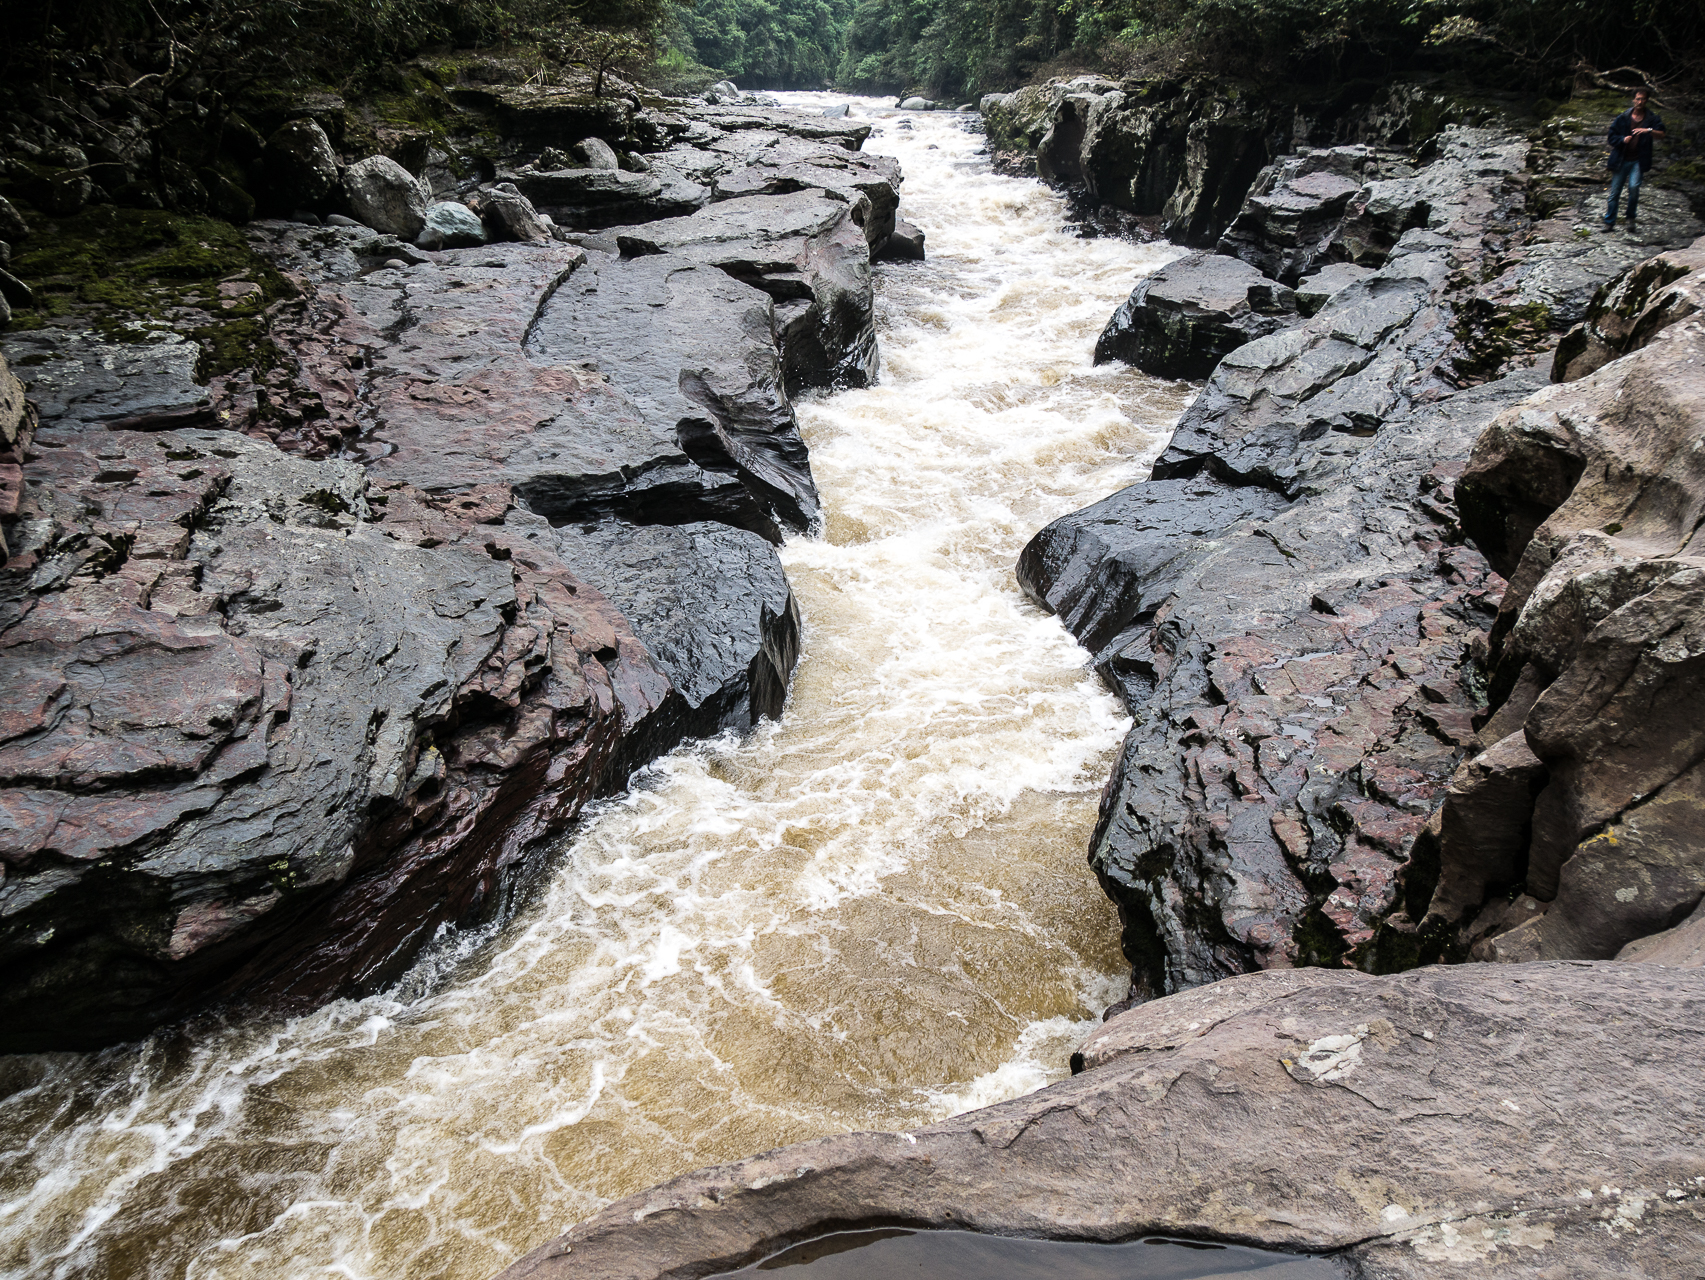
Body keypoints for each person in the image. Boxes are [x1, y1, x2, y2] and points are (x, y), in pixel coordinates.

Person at [1604, 88, 1666, 232]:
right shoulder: (1623, 117)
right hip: (1621, 159)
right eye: (1637, 99)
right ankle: (1609, 222)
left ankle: (1630, 219)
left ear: (1646, 101)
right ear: (1633, 100)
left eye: (1642, 99)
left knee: (1634, 188)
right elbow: (1611, 137)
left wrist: (1648, 130)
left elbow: (1662, 134)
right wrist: (1622, 139)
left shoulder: (1652, 118)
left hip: (1638, 160)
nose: (1639, 102)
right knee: (1615, 192)